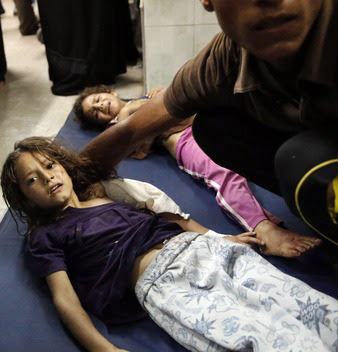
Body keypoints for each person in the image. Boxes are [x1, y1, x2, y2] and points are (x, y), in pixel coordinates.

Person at [80, 0, 338, 339]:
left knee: (304, 161)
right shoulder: (227, 59)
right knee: (216, 128)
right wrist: (70, 174)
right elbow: (132, 130)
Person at [1, 136, 338, 352]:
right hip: (165, 285)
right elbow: (64, 299)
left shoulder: (104, 194)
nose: (47, 176)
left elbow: (168, 217)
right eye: (32, 178)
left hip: (207, 252)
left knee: (325, 314)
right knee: (286, 351)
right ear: (23, 197)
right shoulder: (46, 236)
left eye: (49, 165)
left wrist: (222, 238)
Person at [74, 85, 321, 258]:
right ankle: (264, 228)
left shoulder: (153, 94)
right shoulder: (122, 126)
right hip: (185, 141)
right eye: (95, 113)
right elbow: (140, 149)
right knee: (225, 175)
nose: (101, 106)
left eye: (97, 99)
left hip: (209, 123)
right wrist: (133, 116)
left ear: (110, 91)